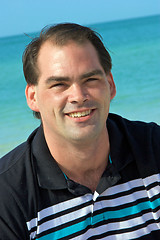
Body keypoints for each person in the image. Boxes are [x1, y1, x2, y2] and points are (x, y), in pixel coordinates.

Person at [0, 23, 160, 240]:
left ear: (110, 85)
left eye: (90, 79)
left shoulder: (154, 149)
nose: (78, 95)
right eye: (59, 84)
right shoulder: (8, 194)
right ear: (33, 97)